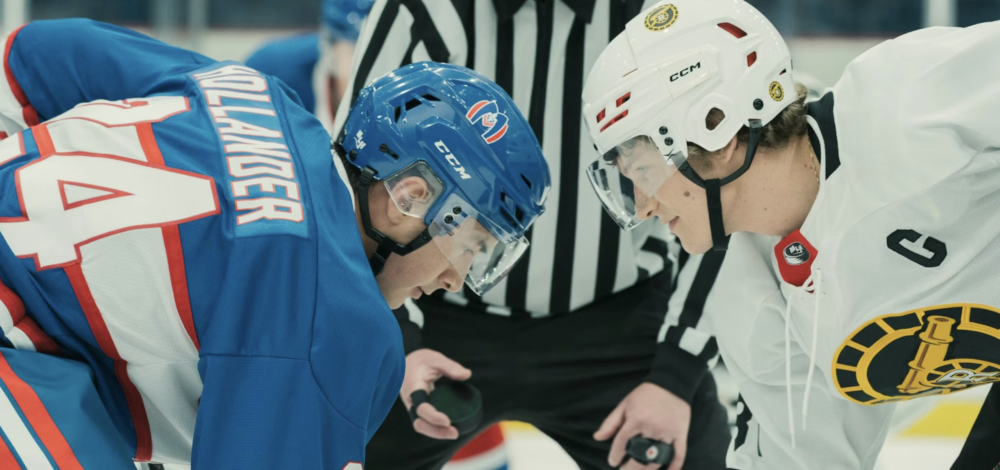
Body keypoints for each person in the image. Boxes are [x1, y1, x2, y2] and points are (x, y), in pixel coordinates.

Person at [0, 18, 549, 468]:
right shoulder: (338, 322)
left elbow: (33, 55)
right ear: (409, 196)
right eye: (472, 244)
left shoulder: (259, 92)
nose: (458, 277)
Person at [583, 0, 1000, 468]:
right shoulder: (752, 293)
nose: (642, 204)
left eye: (643, 170)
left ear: (715, 129)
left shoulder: (904, 101)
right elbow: (806, 457)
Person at [334, 1, 733, 470]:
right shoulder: (428, 8)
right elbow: (359, 176)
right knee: (333, 443)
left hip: (622, 325)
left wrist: (675, 375)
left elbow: (725, 193)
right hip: (435, 311)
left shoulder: (659, 11)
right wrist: (399, 343)